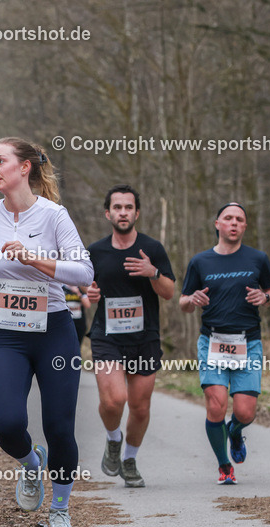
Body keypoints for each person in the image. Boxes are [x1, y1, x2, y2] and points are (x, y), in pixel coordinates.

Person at [0, 137, 93, 527]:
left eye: (0, 161)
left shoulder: (54, 215)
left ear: (24, 167)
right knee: (7, 423)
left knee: (59, 426)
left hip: (54, 330)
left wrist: (32, 257)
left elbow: (84, 273)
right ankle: (31, 464)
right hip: (6, 332)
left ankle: (60, 512)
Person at [180, 203, 270, 485]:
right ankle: (224, 465)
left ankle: (234, 432)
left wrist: (265, 298)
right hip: (212, 341)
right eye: (228, 218)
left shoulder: (257, 259)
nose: (234, 223)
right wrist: (192, 299)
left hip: (248, 342)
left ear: (244, 226)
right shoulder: (200, 261)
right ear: (217, 224)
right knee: (216, 406)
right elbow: (183, 302)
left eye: (239, 219)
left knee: (245, 412)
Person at [86, 184, 175, 488]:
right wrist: (88, 294)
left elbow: (169, 292)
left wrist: (153, 273)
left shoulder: (152, 249)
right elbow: (85, 290)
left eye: (128, 207)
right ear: (107, 213)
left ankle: (129, 459)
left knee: (140, 407)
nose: (123, 213)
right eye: (117, 207)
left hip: (144, 337)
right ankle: (113, 439)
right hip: (107, 336)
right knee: (114, 401)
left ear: (137, 213)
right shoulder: (95, 251)